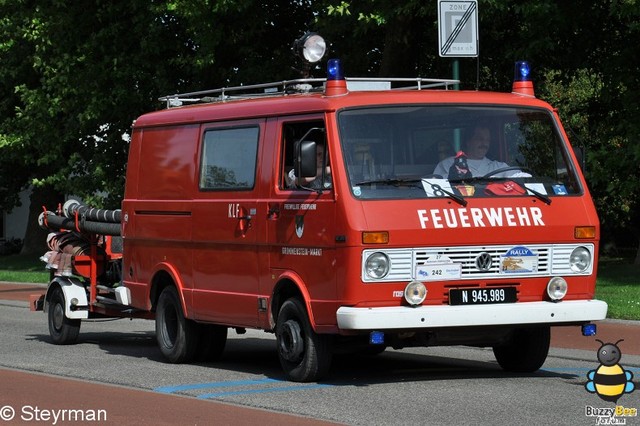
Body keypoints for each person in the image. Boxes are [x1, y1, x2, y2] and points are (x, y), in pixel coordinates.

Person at [432, 126, 526, 178]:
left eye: (487, 140)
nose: (484, 143)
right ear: (468, 141)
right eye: (480, 139)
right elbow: (436, 189)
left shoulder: (498, 167)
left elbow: (520, 177)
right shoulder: (448, 164)